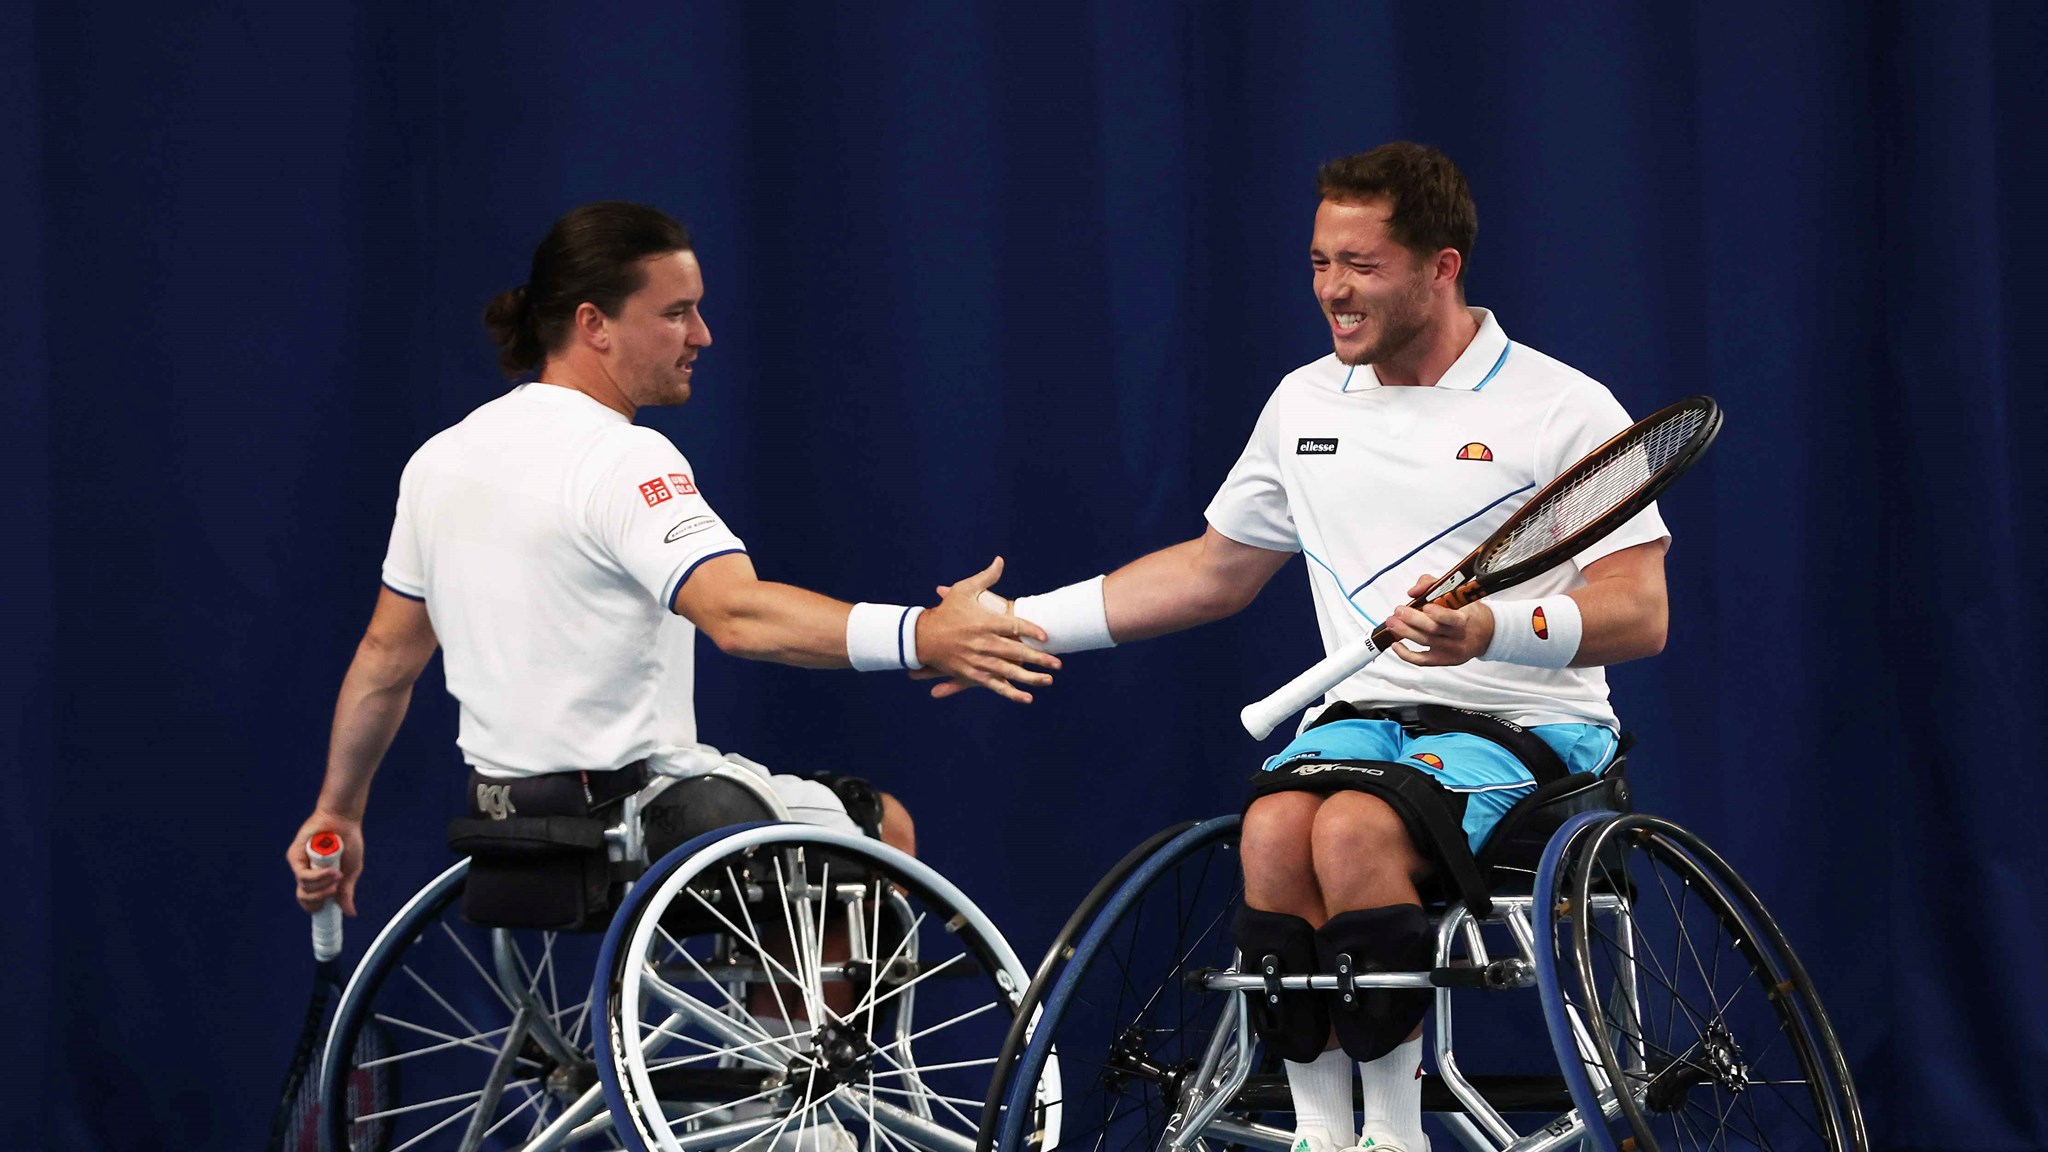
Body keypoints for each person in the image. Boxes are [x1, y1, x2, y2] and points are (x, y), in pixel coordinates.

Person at [947, 143, 1670, 1152]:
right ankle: (1325, 1134)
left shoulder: (1563, 408)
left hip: (1534, 731)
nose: (1332, 290)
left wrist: (1487, 626)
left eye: (1360, 265)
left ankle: (1392, 1133)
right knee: (1273, 830)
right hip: (1360, 723)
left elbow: (1639, 612)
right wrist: (1016, 620)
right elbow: (1211, 572)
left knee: (1348, 835)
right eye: (1319, 263)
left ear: (1440, 267)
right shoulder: (1302, 403)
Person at [285, 200, 1055, 928]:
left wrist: (339, 811)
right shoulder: (623, 456)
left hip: (506, 825)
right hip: (635, 819)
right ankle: (808, 1072)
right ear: (595, 325)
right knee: (883, 829)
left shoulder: (439, 460)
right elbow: (738, 614)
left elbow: (387, 657)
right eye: (676, 312)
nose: (703, 336)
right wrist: (923, 634)